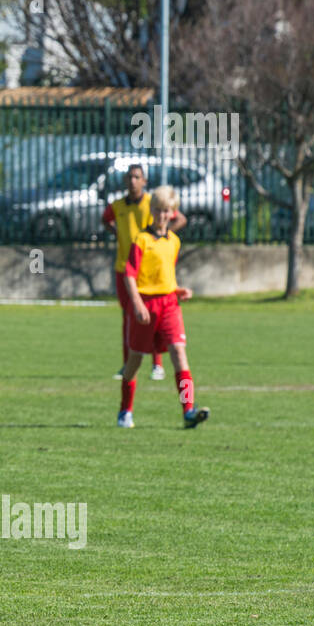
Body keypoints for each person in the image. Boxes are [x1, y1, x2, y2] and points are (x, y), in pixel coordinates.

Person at [118, 185, 210, 429]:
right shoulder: (142, 240)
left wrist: (179, 290)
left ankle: (188, 410)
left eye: (166, 211)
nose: (161, 215)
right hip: (145, 306)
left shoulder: (174, 242)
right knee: (135, 362)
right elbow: (129, 274)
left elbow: (164, 276)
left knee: (179, 353)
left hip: (169, 304)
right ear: (152, 210)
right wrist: (136, 303)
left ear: (172, 213)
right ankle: (125, 410)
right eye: (157, 210)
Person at [101, 164, 186, 381]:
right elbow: (105, 220)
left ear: (144, 181)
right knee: (130, 317)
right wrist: (117, 234)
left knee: (153, 318)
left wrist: (161, 238)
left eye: (137, 177)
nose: (132, 181)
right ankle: (127, 364)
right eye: (129, 177)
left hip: (148, 270)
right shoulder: (117, 205)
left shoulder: (154, 203)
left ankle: (157, 365)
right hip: (124, 268)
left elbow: (180, 218)